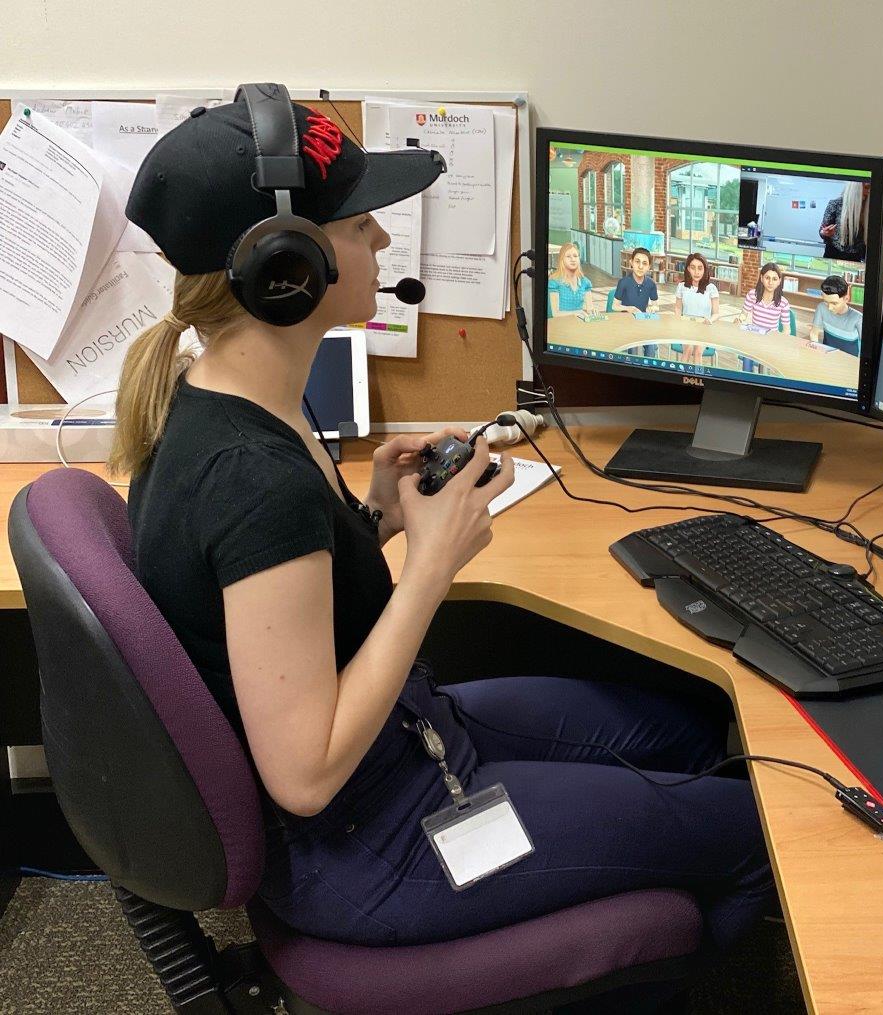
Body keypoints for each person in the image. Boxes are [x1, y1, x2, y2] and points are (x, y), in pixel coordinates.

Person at [114, 88, 774, 952]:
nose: (383, 243)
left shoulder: (231, 401)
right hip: (371, 845)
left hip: (408, 738)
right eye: (361, 227)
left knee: (687, 730)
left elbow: (275, 601)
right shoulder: (251, 476)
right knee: (751, 828)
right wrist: (431, 567)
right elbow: (305, 775)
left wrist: (376, 518)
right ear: (288, 266)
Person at [807, 275, 862, 356]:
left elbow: (866, 348)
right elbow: (814, 334)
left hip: (849, 361)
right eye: (826, 302)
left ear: (846, 299)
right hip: (826, 357)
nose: (829, 308)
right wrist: (816, 352)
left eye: (834, 303)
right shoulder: (821, 308)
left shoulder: (858, 318)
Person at [818, 181, 868, 262]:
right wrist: (825, 233)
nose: (868, 191)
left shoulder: (867, 207)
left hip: (856, 258)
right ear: (856, 189)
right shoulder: (836, 204)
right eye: (866, 187)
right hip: (834, 254)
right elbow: (822, 230)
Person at [547, 242, 595, 315]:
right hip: (562, 321)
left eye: (575, 256)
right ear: (562, 260)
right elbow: (555, 314)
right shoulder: (554, 282)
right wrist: (577, 313)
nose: (573, 259)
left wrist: (593, 312)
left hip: (579, 321)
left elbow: (590, 309)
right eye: (568, 256)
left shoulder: (585, 282)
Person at [741, 262, 790, 333]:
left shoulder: (784, 303)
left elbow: (786, 330)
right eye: (767, 278)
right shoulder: (752, 295)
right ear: (761, 278)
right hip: (754, 335)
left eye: (774, 279)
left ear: (779, 281)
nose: (770, 282)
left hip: (772, 338)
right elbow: (743, 314)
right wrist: (739, 320)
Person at [675, 252, 720, 323]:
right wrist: (677, 321)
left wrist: (710, 320)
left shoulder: (711, 288)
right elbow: (678, 308)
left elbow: (716, 314)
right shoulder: (681, 287)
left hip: (704, 326)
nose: (696, 272)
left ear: (704, 269)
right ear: (688, 269)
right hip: (685, 325)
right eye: (693, 268)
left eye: (700, 268)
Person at [613, 246, 658, 315]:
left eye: (644, 263)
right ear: (631, 262)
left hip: (642, 318)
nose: (640, 267)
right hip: (626, 319)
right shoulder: (623, 282)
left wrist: (652, 308)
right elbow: (614, 306)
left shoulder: (651, 284)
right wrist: (629, 308)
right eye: (637, 262)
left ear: (649, 267)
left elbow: (656, 306)